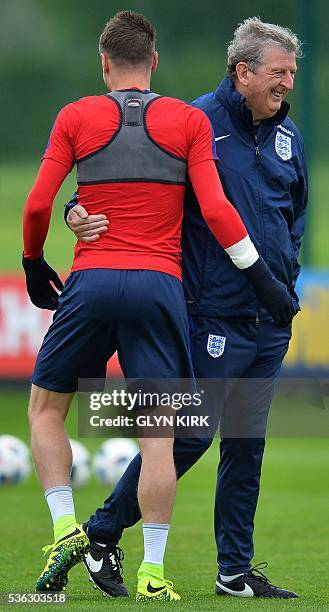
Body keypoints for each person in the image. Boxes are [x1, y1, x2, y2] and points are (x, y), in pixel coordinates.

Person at [22, 11, 295, 602]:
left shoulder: (79, 116)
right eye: (279, 72)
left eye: (292, 73)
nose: (288, 83)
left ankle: (81, 530)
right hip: (186, 298)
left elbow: (45, 200)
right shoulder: (193, 119)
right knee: (172, 434)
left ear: (104, 63)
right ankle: (132, 556)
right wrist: (265, 281)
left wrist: (35, 257)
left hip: (127, 288)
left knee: (51, 410)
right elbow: (208, 209)